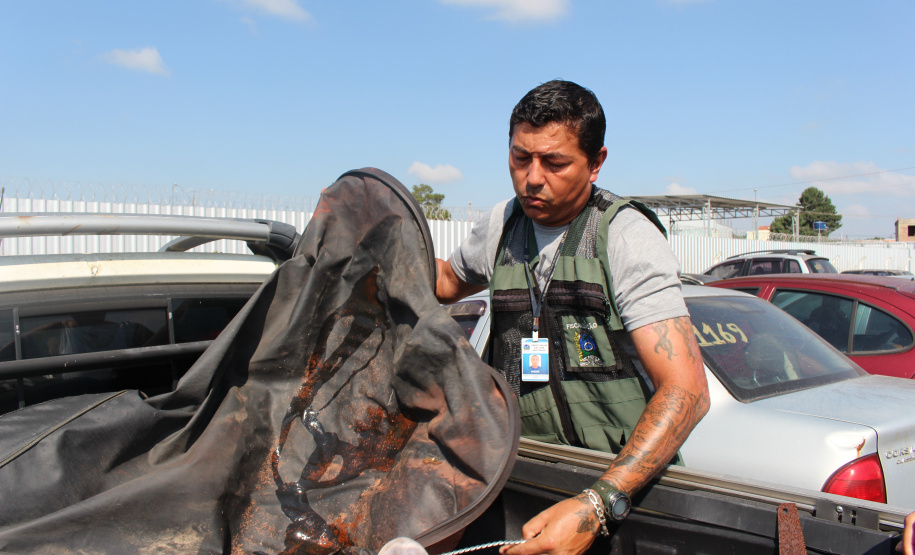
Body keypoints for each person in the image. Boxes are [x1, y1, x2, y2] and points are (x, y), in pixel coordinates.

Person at [435, 80, 710, 555]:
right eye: (520, 157)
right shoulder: (501, 225)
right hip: (520, 480)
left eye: (554, 162)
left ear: (596, 162)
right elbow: (444, 283)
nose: (532, 178)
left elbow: (687, 390)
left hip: (618, 495)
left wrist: (599, 505)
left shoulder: (624, 236)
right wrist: (376, 238)